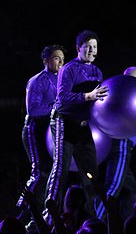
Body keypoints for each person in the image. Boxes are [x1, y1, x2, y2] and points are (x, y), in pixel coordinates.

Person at [45, 30, 108, 218]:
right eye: (88, 46)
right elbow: (62, 97)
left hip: (82, 125)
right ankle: (49, 215)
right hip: (64, 121)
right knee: (61, 168)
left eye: (94, 47)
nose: (91, 51)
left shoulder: (97, 71)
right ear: (78, 48)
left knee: (91, 171)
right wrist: (87, 96)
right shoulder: (69, 69)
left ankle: (95, 217)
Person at [95, 66, 136, 222]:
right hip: (121, 142)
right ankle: (93, 222)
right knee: (113, 186)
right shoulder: (124, 97)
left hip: (125, 144)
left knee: (130, 191)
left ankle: (124, 230)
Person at [19, 45, 65, 212]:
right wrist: (57, 107)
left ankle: (44, 211)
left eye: (62, 58)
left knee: (52, 171)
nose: (60, 61)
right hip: (35, 129)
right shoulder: (37, 81)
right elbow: (33, 109)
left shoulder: (63, 79)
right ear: (46, 60)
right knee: (39, 171)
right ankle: (22, 208)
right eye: (56, 58)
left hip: (51, 131)